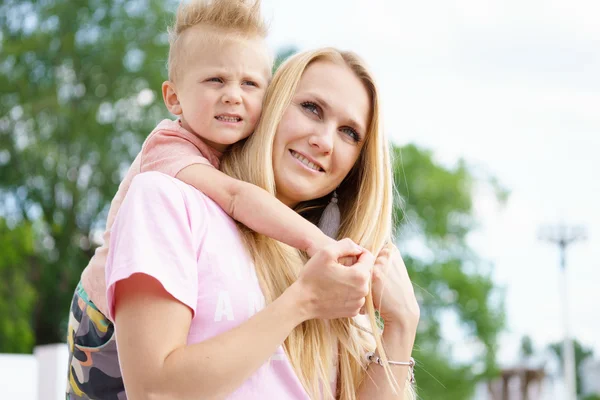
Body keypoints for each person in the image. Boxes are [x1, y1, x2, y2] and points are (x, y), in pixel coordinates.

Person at [103, 48, 420, 400]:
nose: (324, 141)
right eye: (311, 108)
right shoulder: (168, 199)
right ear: (269, 106)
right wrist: (302, 301)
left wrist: (401, 327)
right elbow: (154, 392)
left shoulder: (339, 281)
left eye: (349, 132)